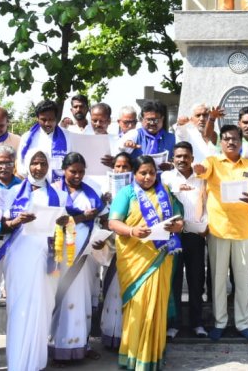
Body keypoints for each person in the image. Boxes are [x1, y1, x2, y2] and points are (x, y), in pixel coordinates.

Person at [0, 149, 68, 371]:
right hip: (19, 254)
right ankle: (18, 362)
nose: (38, 167)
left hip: (47, 256)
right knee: (19, 307)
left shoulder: (59, 194)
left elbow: (65, 225)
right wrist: (17, 220)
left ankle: (36, 362)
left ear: (48, 166)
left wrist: (64, 222)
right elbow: (1, 226)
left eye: (42, 163)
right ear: (27, 165)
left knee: (43, 306)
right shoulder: (14, 192)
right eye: (34, 163)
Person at [108, 156, 184, 370]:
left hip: (160, 258)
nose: (148, 177)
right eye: (143, 173)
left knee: (156, 308)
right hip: (135, 259)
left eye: (151, 172)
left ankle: (152, 356)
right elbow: (113, 222)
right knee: (138, 308)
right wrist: (132, 231)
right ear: (134, 173)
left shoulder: (165, 192)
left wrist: (177, 226)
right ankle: (132, 356)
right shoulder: (127, 193)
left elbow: (179, 218)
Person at [193, 124, 248, 341]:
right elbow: (202, 171)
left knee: (243, 280)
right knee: (218, 279)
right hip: (219, 229)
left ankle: (243, 324)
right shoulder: (213, 162)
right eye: (226, 139)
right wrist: (198, 170)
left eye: (234, 138)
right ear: (221, 142)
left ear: (241, 142)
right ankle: (220, 322)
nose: (231, 142)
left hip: (244, 230)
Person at [50, 152, 107, 364]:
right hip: (61, 253)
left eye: (81, 171)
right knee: (63, 298)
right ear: (64, 170)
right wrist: (82, 217)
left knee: (82, 299)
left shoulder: (92, 193)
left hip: (85, 255)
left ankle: (82, 344)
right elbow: (52, 219)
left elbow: (104, 218)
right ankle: (58, 345)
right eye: (73, 171)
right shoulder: (54, 191)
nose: (77, 175)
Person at [161, 141, 209, 338]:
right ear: (172, 159)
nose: (182, 159)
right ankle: (174, 324)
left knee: (196, 280)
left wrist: (207, 227)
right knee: (174, 281)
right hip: (174, 237)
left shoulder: (201, 178)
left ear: (192, 158)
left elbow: (208, 203)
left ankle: (197, 323)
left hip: (196, 236)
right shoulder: (166, 178)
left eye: (186, 156)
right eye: (178, 156)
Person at [0, 145, 23, 360]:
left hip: (16, 244)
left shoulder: (23, 185)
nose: (4, 166)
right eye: (0, 162)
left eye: (8, 162)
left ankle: (14, 342)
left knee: (15, 296)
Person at [99, 152, 134, 349]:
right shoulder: (105, 187)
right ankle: (109, 334)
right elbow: (99, 216)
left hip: (129, 245)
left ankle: (125, 337)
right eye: (117, 167)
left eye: (125, 167)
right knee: (110, 289)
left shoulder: (136, 190)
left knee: (124, 290)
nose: (120, 170)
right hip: (110, 245)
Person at [18, 99, 70, 178]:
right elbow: (21, 164)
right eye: (43, 120)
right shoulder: (27, 138)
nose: (47, 123)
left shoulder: (67, 136)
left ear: (56, 118)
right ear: (37, 118)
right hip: (34, 185)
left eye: (51, 119)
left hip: (59, 186)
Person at [118, 100, 176, 168]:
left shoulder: (172, 138)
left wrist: (172, 165)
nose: (152, 123)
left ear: (162, 119)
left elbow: (178, 159)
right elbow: (118, 156)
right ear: (142, 119)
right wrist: (125, 146)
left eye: (155, 120)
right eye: (148, 120)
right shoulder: (133, 135)